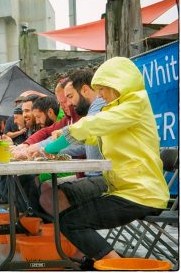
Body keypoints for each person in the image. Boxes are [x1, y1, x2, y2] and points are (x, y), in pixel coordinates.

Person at [44, 57, 169, 267]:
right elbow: (96, 134)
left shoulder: (136, 103)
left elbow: (97, 124)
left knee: (71, 221)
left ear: (119, 83)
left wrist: (52, 143)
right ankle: (98, 260)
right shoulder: (118, 107)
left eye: (102, 89)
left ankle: (116, 266)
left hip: (141, 193)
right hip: (124, 188)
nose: (100, 94)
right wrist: (61, 138)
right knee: (68, 212)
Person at [37, 69, 107, 218]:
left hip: (108, 180)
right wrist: (50, 150)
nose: (68, 103)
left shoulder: (101, 107)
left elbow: (76, 133)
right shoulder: (95, 110)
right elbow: (84, 141)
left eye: (70, 97)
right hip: (99, 176)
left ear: (85, 90)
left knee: (51, 197)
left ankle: (71, 228)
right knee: (48, 191)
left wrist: (44, 149)